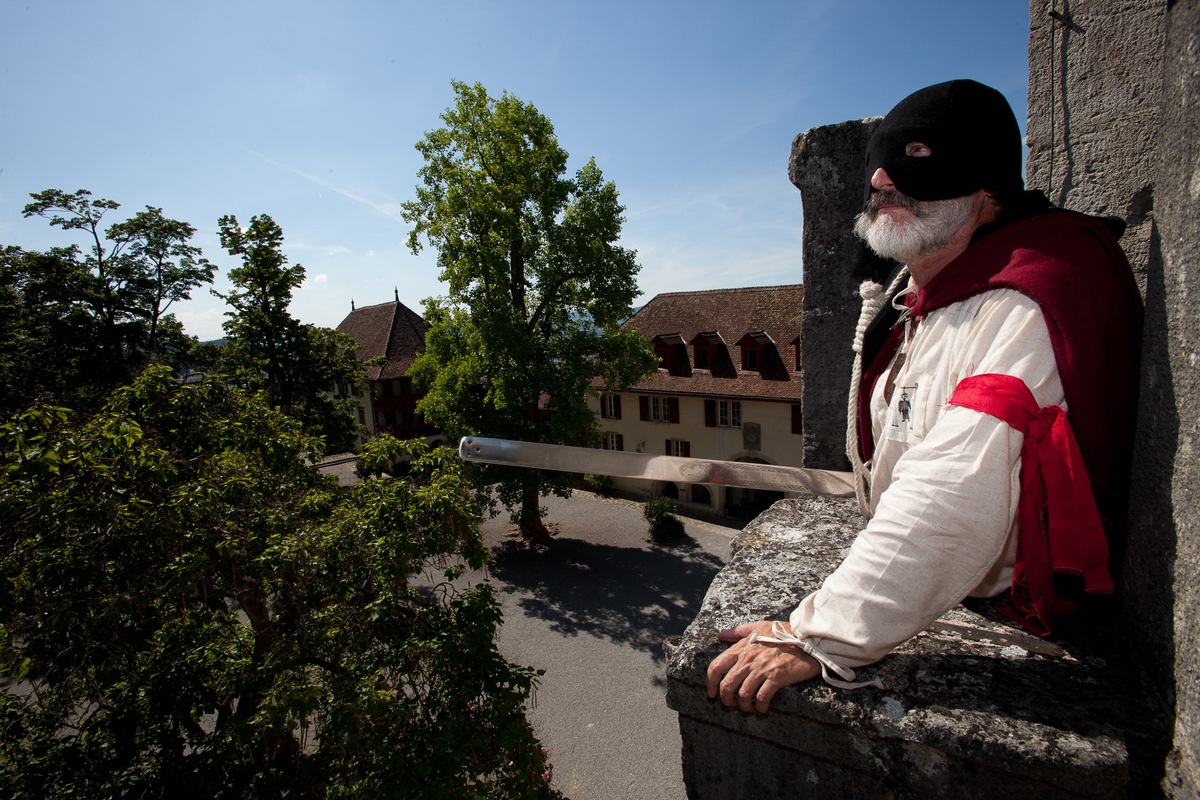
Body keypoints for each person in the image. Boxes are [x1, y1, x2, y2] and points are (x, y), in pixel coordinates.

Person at [706, 79, 1144, 713]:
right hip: (948, 583)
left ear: (988, 184)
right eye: (876, 169)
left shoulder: (1025, 299)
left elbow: (957, 485)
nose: (882, 179)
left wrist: (819, 634)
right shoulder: (920, 292)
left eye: (915, 156)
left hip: (1017, 602)